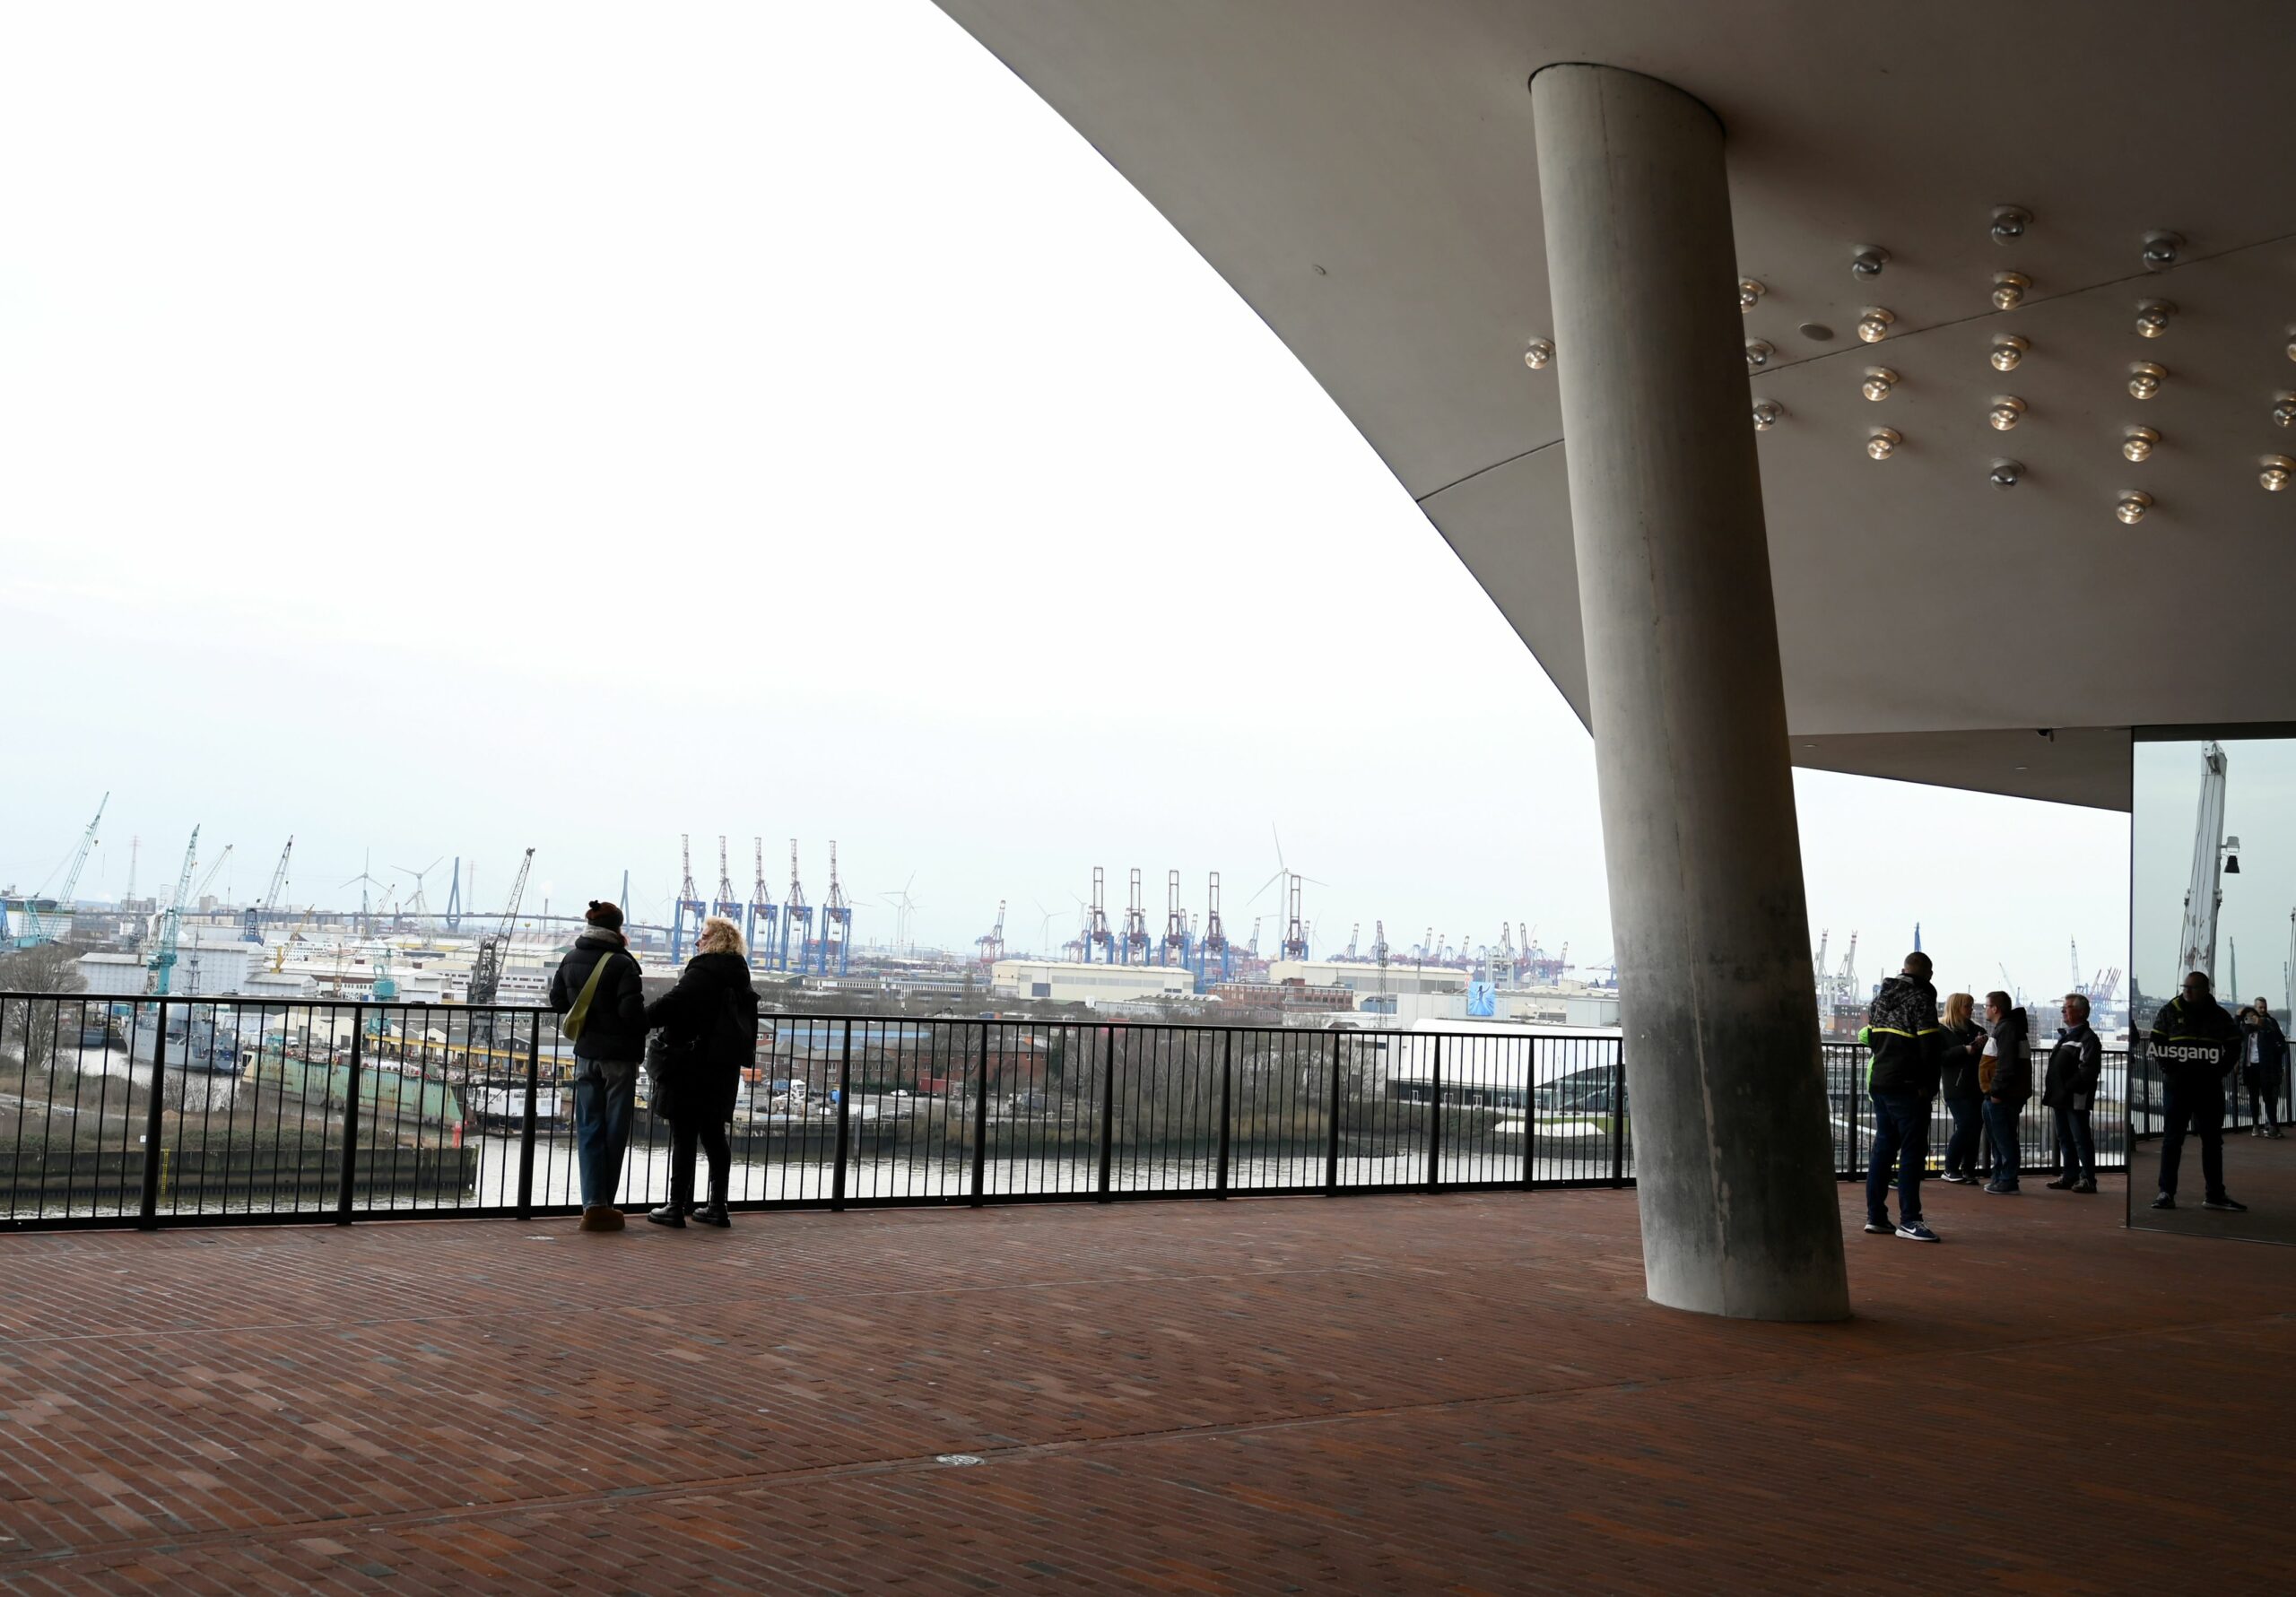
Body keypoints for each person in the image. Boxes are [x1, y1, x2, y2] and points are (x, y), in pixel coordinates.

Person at [640, 916, 760, 1229]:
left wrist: (639, 1019)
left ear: (717, 941)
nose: (698, 941)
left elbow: (672, 1004)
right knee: (714, 1135)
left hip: (691, 1064)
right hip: (723, 1067)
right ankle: (717, 1207)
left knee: (684, 1135)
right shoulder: (738, 973)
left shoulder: (705, 971)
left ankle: (676, 1205)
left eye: (704, 936)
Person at [549, 900, 648, 1232]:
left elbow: (558, 1001)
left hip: (585, 1055)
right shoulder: (622, 963)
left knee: (589, 1129)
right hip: (617, 1058)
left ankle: (593, 1204)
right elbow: (631, 1013)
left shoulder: (571, 957)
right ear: (617, 928)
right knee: (614, 1130)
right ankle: (604, 1206)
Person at [2149, 969, 2247, 1212]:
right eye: (2185, 987)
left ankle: (2214, 1194)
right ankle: (2166, 1192)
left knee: (2212, 1141)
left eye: (2192, 988)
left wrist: (2219, 1071)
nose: (2187, 991)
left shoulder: (2220, 1016)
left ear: (2205, 990)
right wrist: (2171, 1070)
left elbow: (2234, 1046)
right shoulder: (2169, 1011)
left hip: (2208, 1087)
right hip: (2178, 1087)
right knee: (2172, 1140)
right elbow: (2156, 1043)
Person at [1862, 951, 1944, 1241]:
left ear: (1903, 969)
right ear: (1928, 974)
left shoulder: (1879, 1000)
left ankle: (1876, 1216)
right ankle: (1910, 1219)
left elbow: (1872, 1039)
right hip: (1909, 1087)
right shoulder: (1921, 1000)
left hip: (1880, 1082)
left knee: (1883, 1149)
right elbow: (1929, 1048)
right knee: (1912, 1152)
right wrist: (1928, 1086)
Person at [2041, 993, 2103, 1193]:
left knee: (2080, 1138)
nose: (2063, 1011)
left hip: (2075, 1097)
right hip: (2060, 1097)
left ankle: (2088, 1179)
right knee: (2064, 1137)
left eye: (2067, 1007)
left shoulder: (2088, 1039)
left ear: (2081, 1012)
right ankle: (2070, 1175)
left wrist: (2068, 1086)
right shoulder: (2068, 1036)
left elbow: (2088, 1071)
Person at [1979, 991, 2031, 1193]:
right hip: (2001, 1094)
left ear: (1995, 1008)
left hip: (2002, 1096)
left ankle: (2007, 1180)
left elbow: (2006, 1064)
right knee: (2000, 1138)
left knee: (2004, 1138)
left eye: (1986, 1006)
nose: (1984, 1010)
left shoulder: (2007, 1029)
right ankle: (2000, 1177)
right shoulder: (2008, 1027)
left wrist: (1997, 1091)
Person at [1936, 992, 1987, 1184]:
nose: (1971, 1010)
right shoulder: (1942, 1031)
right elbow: (1940, 1058)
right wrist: (1965, 1049)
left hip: (1977, 1085)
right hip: (1956, 1087)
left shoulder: (1977, 1029)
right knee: (1967, 1124)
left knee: (1975, 1126)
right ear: (1956, 1007)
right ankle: (1950, 1168)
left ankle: (1968, 1169)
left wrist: (1981, 1045)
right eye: (1967, 1006)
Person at [2239, 999, 2285, 1138]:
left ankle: (2272, 1126)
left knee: (2268, 1097)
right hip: (2250, 1066)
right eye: (2260, 1007)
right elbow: (2239, 1038)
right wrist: (2239, 1017)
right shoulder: (2246, 1026)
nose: (2263, 1010)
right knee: (2253, 1098)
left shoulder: (2269, 1023)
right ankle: (2256, 1126)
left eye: (2265, 1007)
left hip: (2265, 1066)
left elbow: (2278, 1038)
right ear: (2255, 1008)